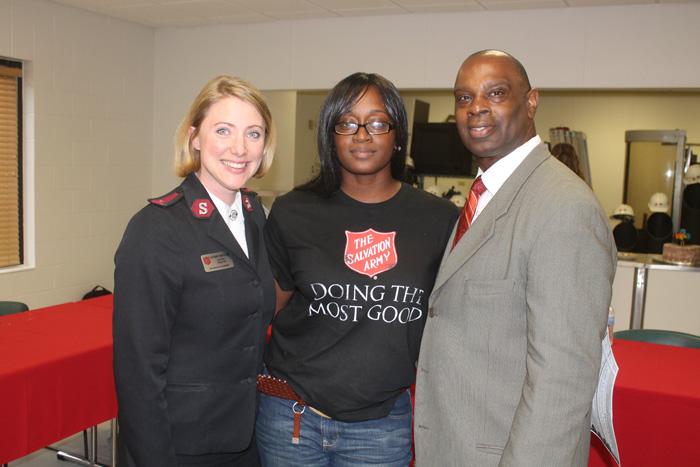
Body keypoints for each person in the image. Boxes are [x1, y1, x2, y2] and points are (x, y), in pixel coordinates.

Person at [414, 50, 616, 466]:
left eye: (496, 93)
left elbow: (562, 379)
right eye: (464, 97)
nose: (476, 109)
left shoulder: (562, 207)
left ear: (531, 102)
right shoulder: (483, 195)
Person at [256, 72, 458, 466]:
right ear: (330, 135)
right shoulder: (294, 211)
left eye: (378, 122)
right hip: (291, 416)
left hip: (381, 425)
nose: (362, 134)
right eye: (346, 123)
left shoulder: (440, 220)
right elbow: (265, 308)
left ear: (397, 135)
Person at [113, 75, 276, 467]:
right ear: (195, 137)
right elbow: (138, 371)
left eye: (253, 134)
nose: (240, 148)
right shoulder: (157, 228)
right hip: (180, 443)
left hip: (245, 435)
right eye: (223, 130)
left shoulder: (256, 216)